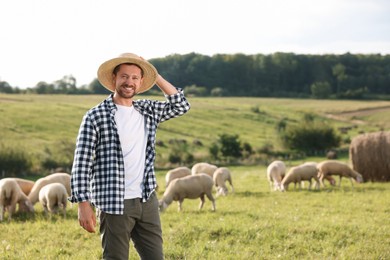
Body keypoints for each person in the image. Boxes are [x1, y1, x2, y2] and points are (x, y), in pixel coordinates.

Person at [68, 53, 191, 259]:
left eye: (135, 77)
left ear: (141, 82)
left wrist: (156, 76)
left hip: (146, 198)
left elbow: (181, 105)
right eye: (124, 76)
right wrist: (83, 204)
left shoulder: (147, 109)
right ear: (114, 79)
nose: (129, 82)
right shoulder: (96, 115)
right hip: (113, 202)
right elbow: (81, 162)